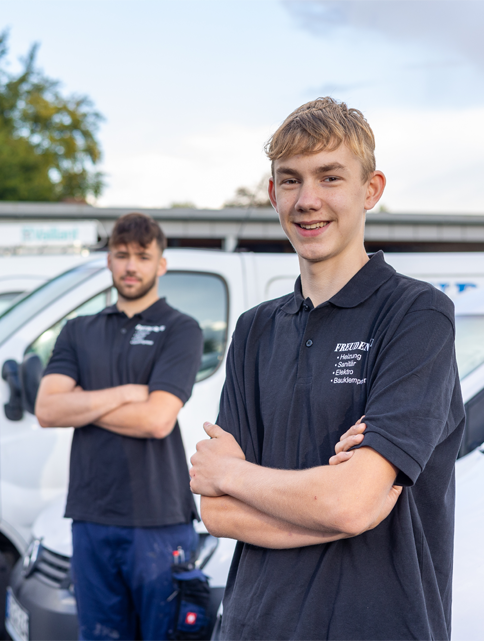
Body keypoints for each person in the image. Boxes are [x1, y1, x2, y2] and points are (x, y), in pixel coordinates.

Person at [189, 97, 464, 640]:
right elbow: (218, 514)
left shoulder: (417, 315)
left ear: (371, 190)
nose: (307, 200)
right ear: (272, 194)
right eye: (290, 181)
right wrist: (336, 508)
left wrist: (235, 475)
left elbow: (349, 500)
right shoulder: (255, 330)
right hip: (251, 626)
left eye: (330, 177)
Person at [35, 212, 203, 641]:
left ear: (160, 264)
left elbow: (155, 419)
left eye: (142, 256)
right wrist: (125, 393)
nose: (131, 266)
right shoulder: (78, 331)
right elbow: (47, 410)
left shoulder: (180, 329)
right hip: (91, 516)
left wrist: (82, 403)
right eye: (121, 254)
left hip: (158, 519)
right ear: (108, 260)